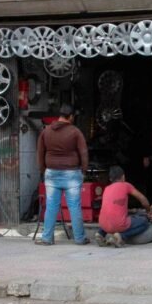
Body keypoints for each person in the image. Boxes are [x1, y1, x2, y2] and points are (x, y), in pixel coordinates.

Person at [36, 104, 89, 245]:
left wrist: (43, 171)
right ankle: (79, 238)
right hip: (72, 174)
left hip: (51, 173)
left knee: (51, 206)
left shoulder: (46, 131)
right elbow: (84, 153)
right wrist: (84, 170)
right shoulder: (75, 132)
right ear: (71, 116)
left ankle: (47, 238)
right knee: (74, 207)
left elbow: (40, 153)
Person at [96, 166, 152, 247]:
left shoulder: (106, 188)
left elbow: (114, 207)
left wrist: (131, 211)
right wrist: (149, 211)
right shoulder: (126, 185)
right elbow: (143, 199)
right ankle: (121, 236)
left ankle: (100, 233)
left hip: (103, 224)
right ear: (123, 177)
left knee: (110, 218)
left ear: (110, 179)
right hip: (118, 224)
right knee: (144, 222)